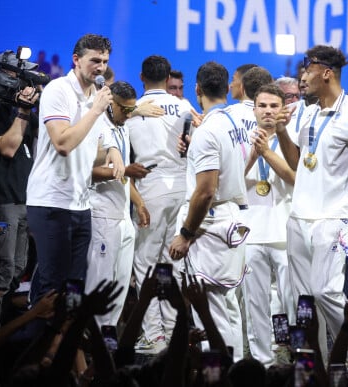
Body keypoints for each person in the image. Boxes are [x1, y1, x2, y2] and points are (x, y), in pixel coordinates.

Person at [275, 45, 348, 360]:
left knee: (327, 293)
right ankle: (313, 368)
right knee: (304, 304)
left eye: (307, 69)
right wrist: (283, 131)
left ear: (326, 72)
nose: (302, 76)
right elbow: (298, 163)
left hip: (334, 220)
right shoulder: (306, 113)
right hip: (299, 218)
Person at [26, 33, 124, 306]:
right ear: (76, 60)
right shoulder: (58, 90)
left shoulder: (96, 94)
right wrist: (95, 111)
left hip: (81, 204)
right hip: (51, 202)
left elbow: (101, 137)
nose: (101, 67)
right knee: (51, 290)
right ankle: (42, 347)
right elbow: (63, 142)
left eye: (105, 61)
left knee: (74, 289)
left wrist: (114, 149)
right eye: (95, 60)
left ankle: (67, 347)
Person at [169, 61, 249, 362]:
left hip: (209, 227)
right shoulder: (234, 124)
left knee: (210, 313)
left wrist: (186, 234)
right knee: (227, 308)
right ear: (227, 87)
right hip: (231, 218)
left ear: (197, 89)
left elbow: (205, 192)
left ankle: (219, 378)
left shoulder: (208, 130)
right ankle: (238, 374)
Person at [127, 55, 192, 353]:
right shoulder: (184, 105)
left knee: (145, 262)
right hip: (181, 186)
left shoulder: (131, 109)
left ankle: (153, 335)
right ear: (168, 79)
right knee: (171, 262)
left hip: (150, 184)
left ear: (142, 77)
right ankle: (173, 329)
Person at [0, 51, 40, 326]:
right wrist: (24, 111)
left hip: (20, 201)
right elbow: (8, 147)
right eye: (22, 75)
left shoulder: (21, 112)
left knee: (15, 272)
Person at [85, 81, 151, 327]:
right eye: (125, 109)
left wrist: (140, 203)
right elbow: (86, 171)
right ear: (111, 104)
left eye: (133, 110)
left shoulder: (122, 126)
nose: (129, 114)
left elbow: (123, 176)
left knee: (120, 287)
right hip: (101, 214)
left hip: (123, 216)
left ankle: (109, 340)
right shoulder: (95, 125)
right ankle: (93, 343)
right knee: (100, 285)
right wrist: (120, 169)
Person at [243, 83, 295, 367]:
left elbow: (295, 178)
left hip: (286, 230)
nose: (268, 111)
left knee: (292, 300)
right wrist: (253, 153)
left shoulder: (290, 139)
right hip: (251, 232)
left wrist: (267, 153)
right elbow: (232, 182)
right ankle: (262, 362)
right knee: (255, 303)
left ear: (283, 109)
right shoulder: (241, 139)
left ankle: (294, 352)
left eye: (274, 106)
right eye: (262, 106)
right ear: (254, 109)